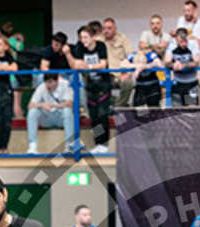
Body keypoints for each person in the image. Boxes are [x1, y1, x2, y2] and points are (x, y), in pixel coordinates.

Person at [66, 25, 111, 154]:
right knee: (94, 116)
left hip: (103, 83)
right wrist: (69, 55)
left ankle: (104, 143)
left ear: (93, 37)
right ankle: (97, 143)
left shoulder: (101, 46)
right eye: (81, 38)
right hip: (90, 85)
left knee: (102, 113)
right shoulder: (80, 47)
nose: (83, 40)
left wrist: (88, 66)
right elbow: (76, 65)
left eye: (86, 37)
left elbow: (103, 64)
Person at [26, 73, 74, 155]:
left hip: (60, 117)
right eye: (47, 82)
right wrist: (42, 105)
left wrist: (55, 105)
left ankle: (68, 144)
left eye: (51, 82)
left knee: (67, 111)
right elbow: (30, 105)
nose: (48, 85)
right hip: (47, 118)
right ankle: (32, 145)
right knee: (32, 112)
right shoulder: (42, 87)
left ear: (57, 81)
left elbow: (69, 104)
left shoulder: (65, 84)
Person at [102, 18, 135, 108]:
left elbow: (131, 56)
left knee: (129, 83)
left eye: (109, 28)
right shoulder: (99, 40)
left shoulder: (122, 38)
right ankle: (116, 104)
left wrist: (128, 73)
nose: (106, 31)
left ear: (115, 28)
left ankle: (119, 107)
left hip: (121, 74)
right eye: (104, 28)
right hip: (105, 75)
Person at [165, 28, 200, 107]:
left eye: (186, 41)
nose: (184, 44)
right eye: (181, 42)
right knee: (177, 111)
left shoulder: (193, 44)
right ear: (176, 39)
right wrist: (174, 64)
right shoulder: (172, 45)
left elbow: (197, 62)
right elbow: (166, 63)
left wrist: (183, 65)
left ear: (188, 38)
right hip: (177, 82)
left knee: (192, 110)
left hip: (191, 83)